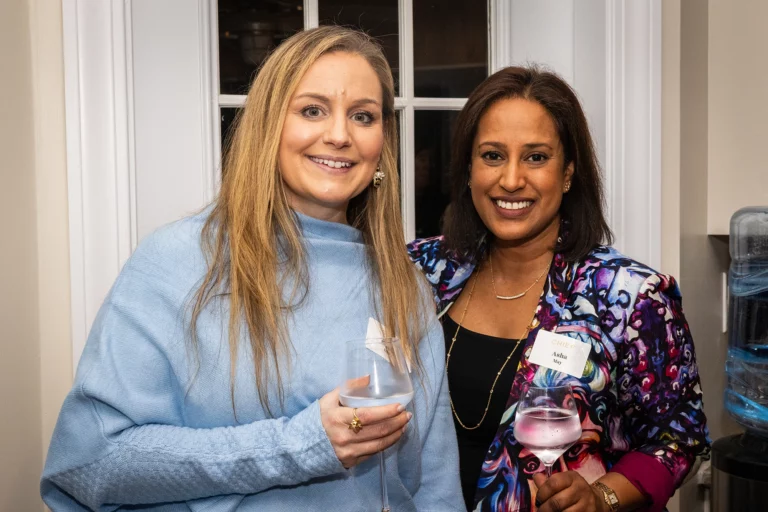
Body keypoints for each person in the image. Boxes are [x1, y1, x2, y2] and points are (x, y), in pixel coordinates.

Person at [41, 26, 463, 511]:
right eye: (312, 110)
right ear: (268, 126)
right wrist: (300, 446)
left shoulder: (401, 283)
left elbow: (434, 486)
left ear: (381, 142)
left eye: (363, 116)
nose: (340, 135)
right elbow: (90, 461)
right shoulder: (180, 261)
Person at [408, 66, 710, 512]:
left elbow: (678, 434)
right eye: (492, 155)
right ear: (469, 169)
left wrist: (602, 496)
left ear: (568, 173)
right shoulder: (420, 270)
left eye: (535, 157)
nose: (511, 180)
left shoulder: (628, 295)